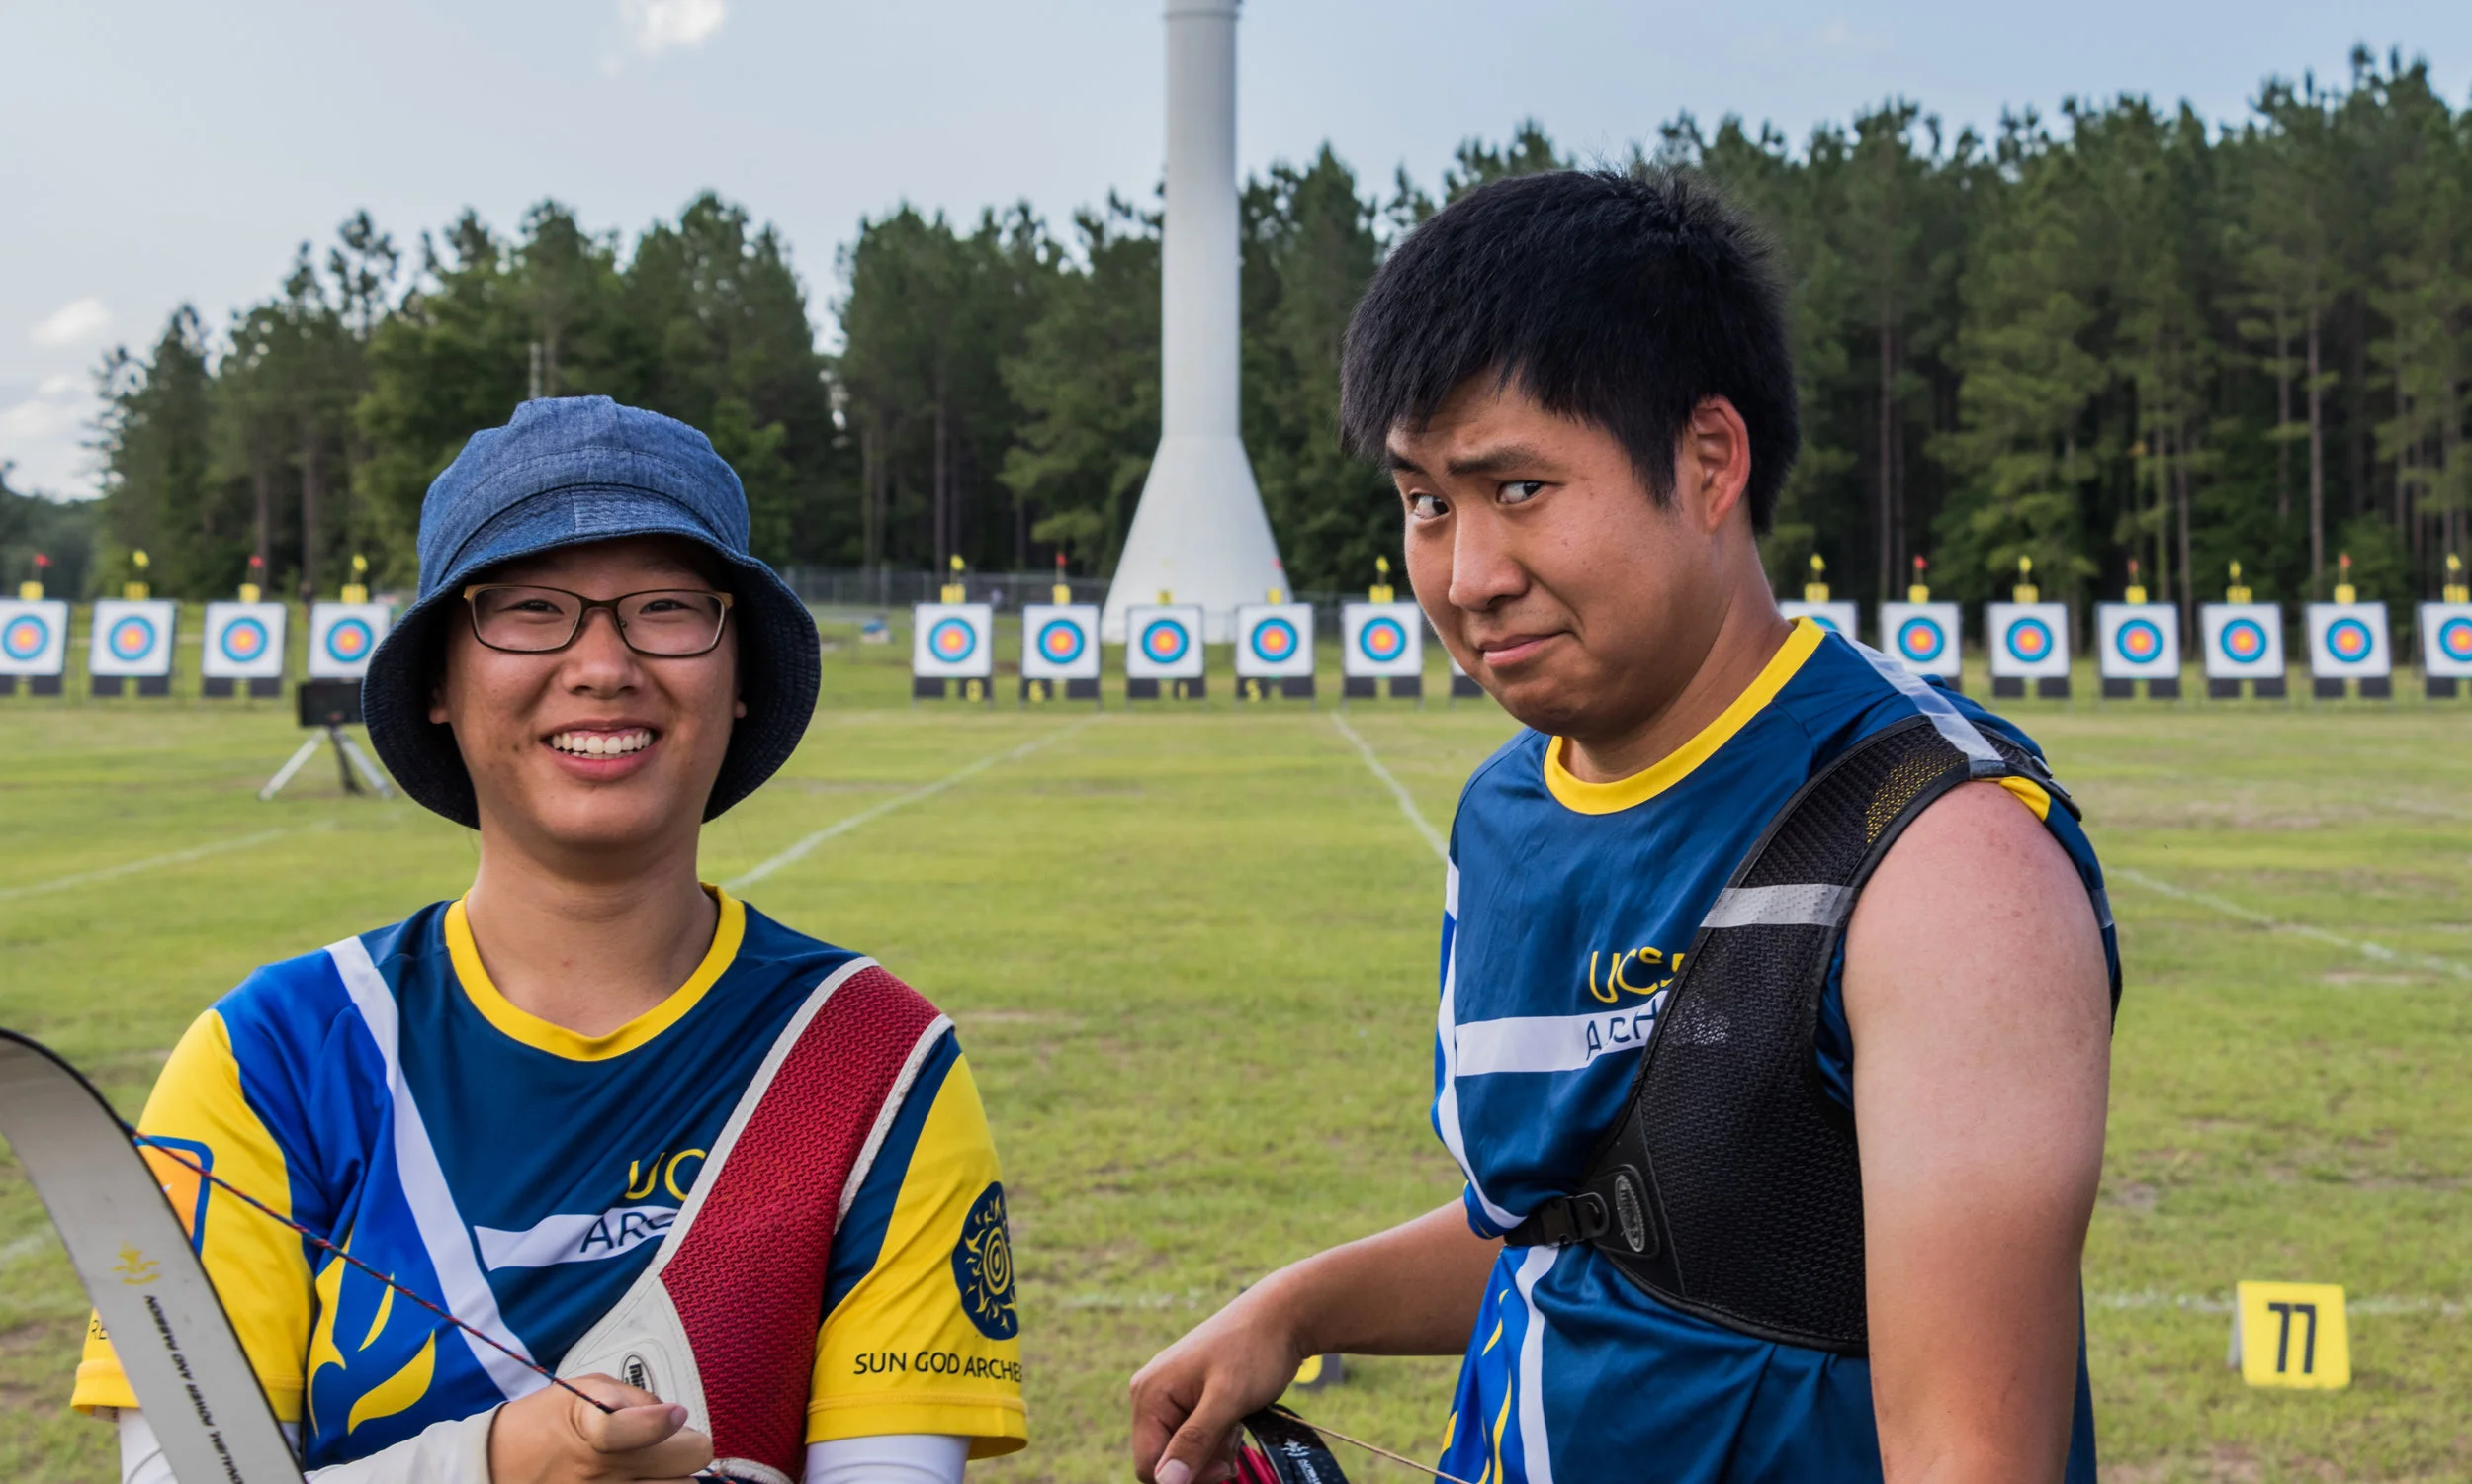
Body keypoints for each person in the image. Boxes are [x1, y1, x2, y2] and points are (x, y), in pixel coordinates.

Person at [1129, 170, 2117, 1484]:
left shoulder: (1943, 860)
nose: (1467, 576)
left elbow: (1970, 1458)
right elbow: (1611, 1231)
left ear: (1708, 463)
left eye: (1520, 488)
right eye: (1427, 501)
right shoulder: (1509, 811)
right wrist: (1297, 1310)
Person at [73, 397, 1027, 1484]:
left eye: (667, 608)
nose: (603, 664)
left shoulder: (877, 1061)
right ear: (438, 679)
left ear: (741, 669)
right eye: (530, 610)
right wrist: (493, 1464)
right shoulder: (271, 1057)